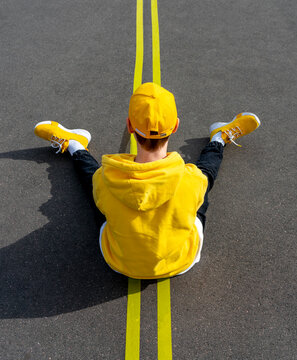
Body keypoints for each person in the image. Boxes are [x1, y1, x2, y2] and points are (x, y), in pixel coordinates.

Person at [34, 83, 260, 279]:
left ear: (130, 126)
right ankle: (219, 138)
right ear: (175, 126)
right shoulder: (191, 179)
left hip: (120, 263)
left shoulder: (105, 178)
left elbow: (100, 187)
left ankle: (75, 145)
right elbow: (201, 179)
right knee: (205, 178)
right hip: (181, 261)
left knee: (95, 185)